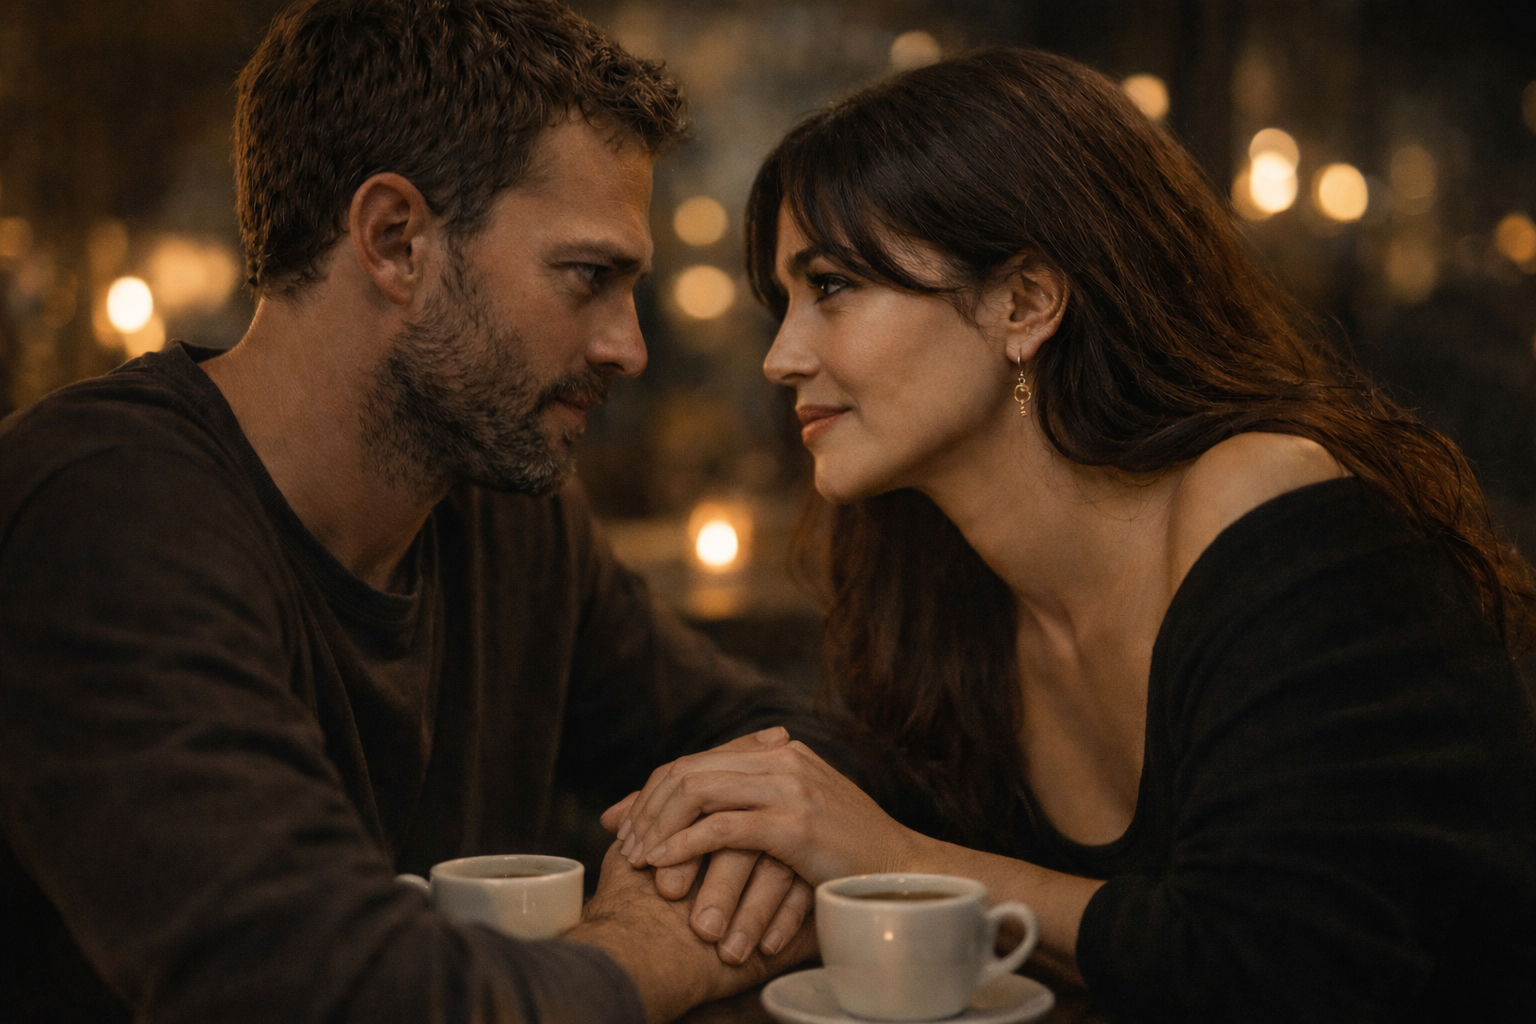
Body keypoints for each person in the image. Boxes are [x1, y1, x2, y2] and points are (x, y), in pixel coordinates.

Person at [606, 47, 1536, 1022]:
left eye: (832, 286)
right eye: (782, 303)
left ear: (1026, 301)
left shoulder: (1262, 498)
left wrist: (902, 861)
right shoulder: (943, 585)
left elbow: (1279, 968)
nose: (784, 356)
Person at [0, 2, 824, 1021]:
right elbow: (325, 993)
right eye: (588, 277)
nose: (628, 348)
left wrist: (758, 835)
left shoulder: (499, 507)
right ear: (395, 241)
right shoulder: (98, 514)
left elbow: (766, 739)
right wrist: (655, 949)